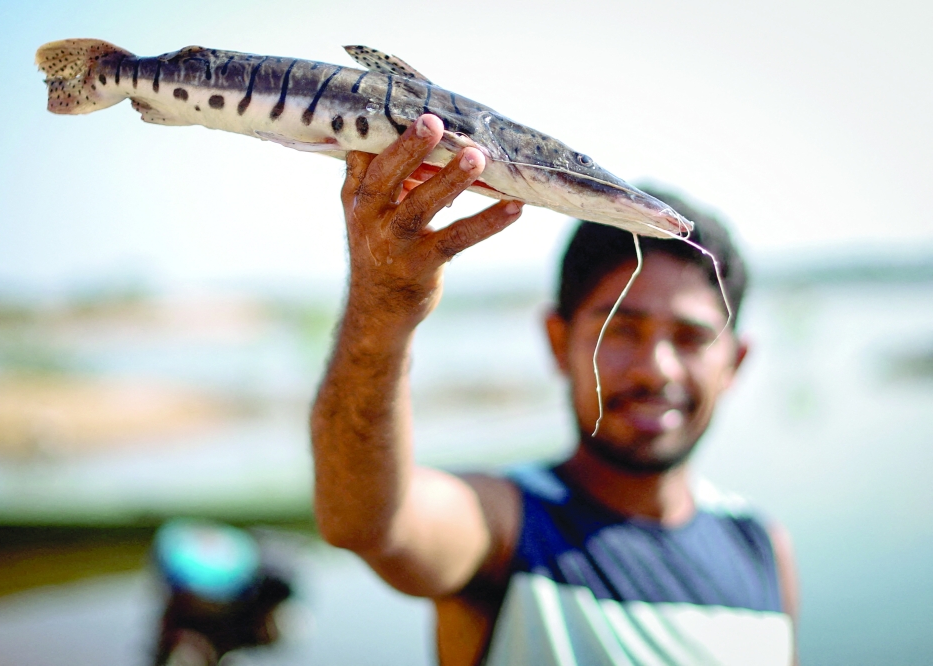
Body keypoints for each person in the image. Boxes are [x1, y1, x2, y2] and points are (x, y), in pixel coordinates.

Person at [310, 114, 798, 665]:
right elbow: (369, 521)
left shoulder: (761, 548)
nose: (655, 369)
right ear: (556, 340)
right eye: (620, 329)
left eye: (690, 338)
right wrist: (382, 308)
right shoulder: (506, 524)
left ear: (735, 362)